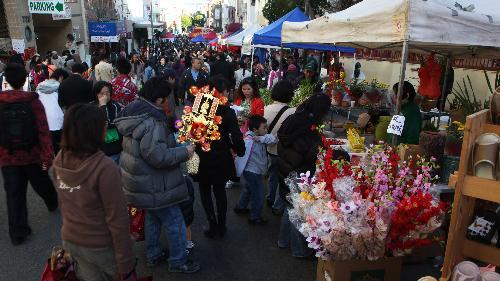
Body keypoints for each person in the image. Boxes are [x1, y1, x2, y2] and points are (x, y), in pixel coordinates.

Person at [115, 77, 200, 273]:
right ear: (159, 100)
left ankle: (153, 254)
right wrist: (185, 152)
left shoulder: (134, 111)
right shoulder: (152, 121)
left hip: (140, 180)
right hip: (154, 182)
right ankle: (178, 261)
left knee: (153, 216)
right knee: (175, 221)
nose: (170, 102)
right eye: (167, 98)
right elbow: (157, 156)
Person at [51, 103, 136, 280]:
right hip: (100, 245)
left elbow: (64, 203)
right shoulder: (105, 168)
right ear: (93, 131)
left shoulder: (60, 159)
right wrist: (125, 261)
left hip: (71, 239)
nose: (106, 126)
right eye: (102, 124)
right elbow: (117, 219)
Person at [0, 63, 58, 245]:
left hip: (7, 156)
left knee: (14, 194)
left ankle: (18, 233)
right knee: (42, 184)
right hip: (32, 154)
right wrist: (48, 156)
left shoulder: (1, 100)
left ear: (6, 80)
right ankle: (52, 202)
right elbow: (43, 130)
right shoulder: (32, 101)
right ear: (25, 79)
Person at [277, 94, 331, 258]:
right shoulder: (309, 126)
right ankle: (299, 249)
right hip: (301, 170)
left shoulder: (294, 117)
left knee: (291, 206)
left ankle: (283, 240)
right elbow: (311, 153)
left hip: (286, 166)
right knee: (300, 210)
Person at [196, 75, 245, 238]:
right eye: (226, 91)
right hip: (220, 155)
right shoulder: (227, 111)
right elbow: (236, 136)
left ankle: (212, 224)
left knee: (204, 190)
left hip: (201, 155)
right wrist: (240, 150)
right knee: (219, 191)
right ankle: (222, 225)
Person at [234, 115, 277, 224]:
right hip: (253, 172)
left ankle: (240, 206)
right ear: (255, 130)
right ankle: (255, 217)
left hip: (252, 171)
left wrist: (261, 138)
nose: (266, 130)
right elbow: (240, 157)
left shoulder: (259, 138)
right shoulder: (250, 141)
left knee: (248, 189)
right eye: (264, 127)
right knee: (258, 195)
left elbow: (272, 138)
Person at [263, 80, 296, 215]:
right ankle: (277, 204)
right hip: (285, 151)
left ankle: (270, 197)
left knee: (272, 175)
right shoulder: (293, 112)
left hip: (269, 149)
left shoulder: (265, 109)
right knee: (282, 179)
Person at [36, 68, 69, 153]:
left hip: (42, 121)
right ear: (61, 77)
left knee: (44, 149)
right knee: (57, 149)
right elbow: (63, 106)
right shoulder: (61, 87)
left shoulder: (39, 86)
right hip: (57, 122)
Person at [92, 81, 123, 163]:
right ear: (96, 93)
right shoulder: (91, 106)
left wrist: (103, 106)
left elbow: (109, 124)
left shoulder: (115, 106)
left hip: (112, 148)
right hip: (96, 150)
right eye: (102, 93)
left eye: (107, 93)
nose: (105, 96)